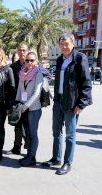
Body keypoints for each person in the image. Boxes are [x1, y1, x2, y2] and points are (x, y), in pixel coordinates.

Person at [42, 33, 92, 175]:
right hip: (58, 101)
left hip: (72, 102)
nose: (64, 47)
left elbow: (86, 83)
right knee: (56, 132)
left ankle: (67, 163)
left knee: (70, 135)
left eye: (66, 44)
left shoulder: (79, 58)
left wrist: (81, 104)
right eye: (61, 44)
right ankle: (56, 158)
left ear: (73, 44)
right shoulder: (59, 60)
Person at [16, 52, 43, 167]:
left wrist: (25, 106)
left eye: (32, 60)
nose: (29, 63)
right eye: (27, 60)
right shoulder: (22, 73)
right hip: (23, 108)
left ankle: (32, 157)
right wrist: (17, 104)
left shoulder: (38, 74)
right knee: (27, 133)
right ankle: (28, 155)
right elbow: (19, 90)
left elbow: (37, 93)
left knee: (33, 134)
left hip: (34, 109)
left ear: (36, 61)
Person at [7, 42, 29, 155]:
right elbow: (11, 85)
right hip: (17, 100)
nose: (22, 52)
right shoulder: (13, 66)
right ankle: (16, 147)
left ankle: (30, 149)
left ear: (27, 51)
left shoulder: (31, 64)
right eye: (20, 50)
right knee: (18, 124)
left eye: (24, 50)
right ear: (17, 51)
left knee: (29, 125)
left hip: (30, 100)